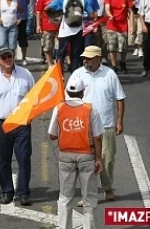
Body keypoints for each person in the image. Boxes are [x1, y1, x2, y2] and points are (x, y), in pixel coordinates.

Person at [69, 45, 126, 206]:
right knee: (86, 163)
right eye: (84, 58)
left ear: (98, 58)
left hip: (106, 126)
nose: (85, 60)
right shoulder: (78, 74)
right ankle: (88, 195)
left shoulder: (110, 75)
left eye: (88, 58)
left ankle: (107, 188)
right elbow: (69, 98)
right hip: (84, 127)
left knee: (107, 160)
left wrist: (120, 121)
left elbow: (120, 98)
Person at [0, 46, 35, 206]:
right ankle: (7, 191)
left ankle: (24, 193)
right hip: (1, 124)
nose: (7, 59)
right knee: (4, 160)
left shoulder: (26, 75)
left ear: (13, 56)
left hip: (21, 123)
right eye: (4, 57)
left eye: (9, 56)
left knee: (24, 159)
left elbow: (33, 97)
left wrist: (31, 116)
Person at [48, 77, 103, 229]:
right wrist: (98, 158)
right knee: (89, 198)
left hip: (66, 156)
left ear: (67, 91)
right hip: (87, 155)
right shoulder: (90, 109)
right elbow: (97, 137)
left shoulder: (59, 108)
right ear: (82, 92)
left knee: (65, 196)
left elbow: (52, 135)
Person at [45, 0, 94, 73]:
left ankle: (60, 75)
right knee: (76, 54)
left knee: (61, 53)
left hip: (65, 30)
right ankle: (74, 75)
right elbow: (92, 15)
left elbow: (47, 8)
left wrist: (54, 17)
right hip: (78, 29)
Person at [104, 0, 134, 74]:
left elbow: (130, 12)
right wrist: (110, 15)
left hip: (123, 26)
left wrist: (131, 26)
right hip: (111, 26)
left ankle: (123, 62)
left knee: (123, 48)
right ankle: (114, 66)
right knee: (112, 47)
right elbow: (107, 8)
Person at [35, 0, 59, 68]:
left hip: (59, 26)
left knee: (58, 47)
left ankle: (58, 64)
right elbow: (38, 10)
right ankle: (50, 64)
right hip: (47, 26)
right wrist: (38, 25)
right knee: (47, 46)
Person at [14, 0, 29, 65]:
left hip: (23, 18)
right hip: (13, 18)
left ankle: (24, 57)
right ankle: (11, 59)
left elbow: (28, 1)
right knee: (12, 40)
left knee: (23, 38)